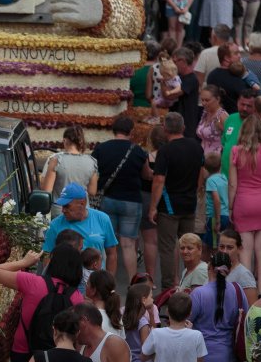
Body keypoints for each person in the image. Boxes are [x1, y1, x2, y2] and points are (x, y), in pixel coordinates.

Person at [0, 246, 83, 362]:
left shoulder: (34, 282)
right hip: (58, 358)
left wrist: (24, 262)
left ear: (53, 263)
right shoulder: (77, 298)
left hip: (24, 352)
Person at [90, 116, 150, 279]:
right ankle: (133, 283)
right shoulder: (137, 151)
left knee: (107, 243)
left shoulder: (101, 149)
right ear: (131, 131)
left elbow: (92, 172)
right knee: (128, 244)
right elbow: (146, 175)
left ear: (113, 130)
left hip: (107, 200)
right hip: (131, 201)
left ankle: (105, 281)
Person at [151, 112, 205, 288]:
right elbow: (201, 172)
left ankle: (168, 287)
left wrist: (152, 207)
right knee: (191, 246)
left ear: (165, 129)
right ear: (183, 128)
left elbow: (159, 180)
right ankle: (194, 283)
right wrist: (195, 190)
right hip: (189, 203)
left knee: (167, 248)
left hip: (169, 207)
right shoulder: (196, 147)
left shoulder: (165, 151)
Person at [229, 115, 261, 293]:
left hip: (244, 201)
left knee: (245, 250)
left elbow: (233, 184)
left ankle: (245, 290)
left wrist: (230, 206)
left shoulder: (236, 151)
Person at [42, 183, 118, 272]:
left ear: (82, 203)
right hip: (67, 282)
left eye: (66, 206)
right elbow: (47, 256)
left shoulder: (102, 219)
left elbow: (112, 254)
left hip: (95, 282)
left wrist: (108, 282)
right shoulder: (55, 225)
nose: (63, 210)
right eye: (62, 206)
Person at [40, 126, 98, 199]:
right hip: (82, 207)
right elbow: (92, 192)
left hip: (60, 208)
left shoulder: (56, 160)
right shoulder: (92, 162)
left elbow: (47, 190)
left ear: (64, 140)